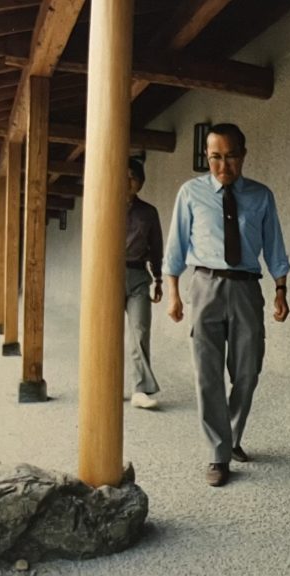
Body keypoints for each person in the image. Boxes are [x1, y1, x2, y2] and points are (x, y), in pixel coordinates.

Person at [163, 123, 290, 487]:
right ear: (207, 157)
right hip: (205, 286)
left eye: (231, 156)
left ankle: (232, 436)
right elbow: (175, 245)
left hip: (246, 288)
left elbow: (274, 245)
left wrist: (281, 289)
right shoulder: (191, 193)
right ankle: (218, 454)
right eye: (215, 157)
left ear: (243, 155)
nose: (223, 165)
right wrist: (173, 293)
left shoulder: (261, 196)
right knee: (207, 373)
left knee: (247, 371)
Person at [124, 157, 163, 409]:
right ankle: (106, 383)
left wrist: (158, 278)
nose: (127, 182)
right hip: (108, 276)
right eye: (123, 177)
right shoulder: (105, 204)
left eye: (133, 177)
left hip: (138, 276)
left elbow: (156, 247)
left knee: (140, 331)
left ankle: (140, 389)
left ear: (140, 183)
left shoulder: (148, 212)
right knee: (107, 333)